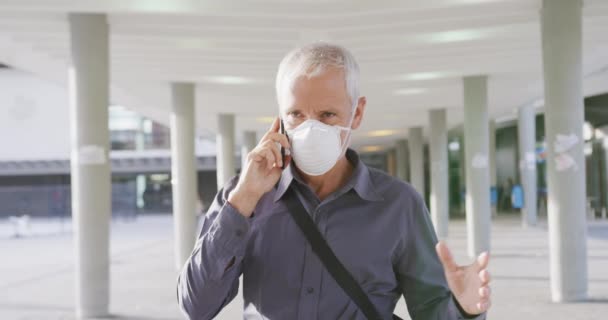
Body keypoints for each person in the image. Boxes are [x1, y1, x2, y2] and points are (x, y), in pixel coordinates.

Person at [177, 43, 491, 319]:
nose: (309, 129)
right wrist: (244, 199)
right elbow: (196, 307)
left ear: (357, 113)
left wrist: (463, 309)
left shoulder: (399, 205)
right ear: (280, 117)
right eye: (296, 114)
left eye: (327, 115)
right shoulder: (244, 197)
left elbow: (432, 311)